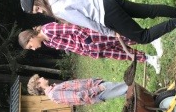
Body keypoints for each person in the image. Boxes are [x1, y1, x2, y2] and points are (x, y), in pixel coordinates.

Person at [20, 0, 176, 46]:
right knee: (147, 11)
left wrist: (110, 32)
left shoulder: (57, 8)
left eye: (37, 8)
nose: (40, 11)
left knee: (143, 37)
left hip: (106, 14)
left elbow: (88, 22)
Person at [18, 22, 161, 74]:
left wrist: (87, 40)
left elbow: (72, 28)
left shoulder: (49, 29)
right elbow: (71, 45)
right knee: (121, 53)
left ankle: (152, 38)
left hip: (92, 38)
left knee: (123, 38)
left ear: (31, 38)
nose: (34, 49)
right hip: (92, 49)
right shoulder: (48, 43)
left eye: (30, 46)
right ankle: (150, 59)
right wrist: (89, 51)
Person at [27, 74, 128, 105]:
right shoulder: (54, 94)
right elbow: (78, 97)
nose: (41, 78)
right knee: (126, 87)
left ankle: (142, 97)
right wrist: (98, 88)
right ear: (38, 85)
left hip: (96, 86)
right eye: (39, 79)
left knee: (125, 91)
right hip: (97, 92)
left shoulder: (54, 88)